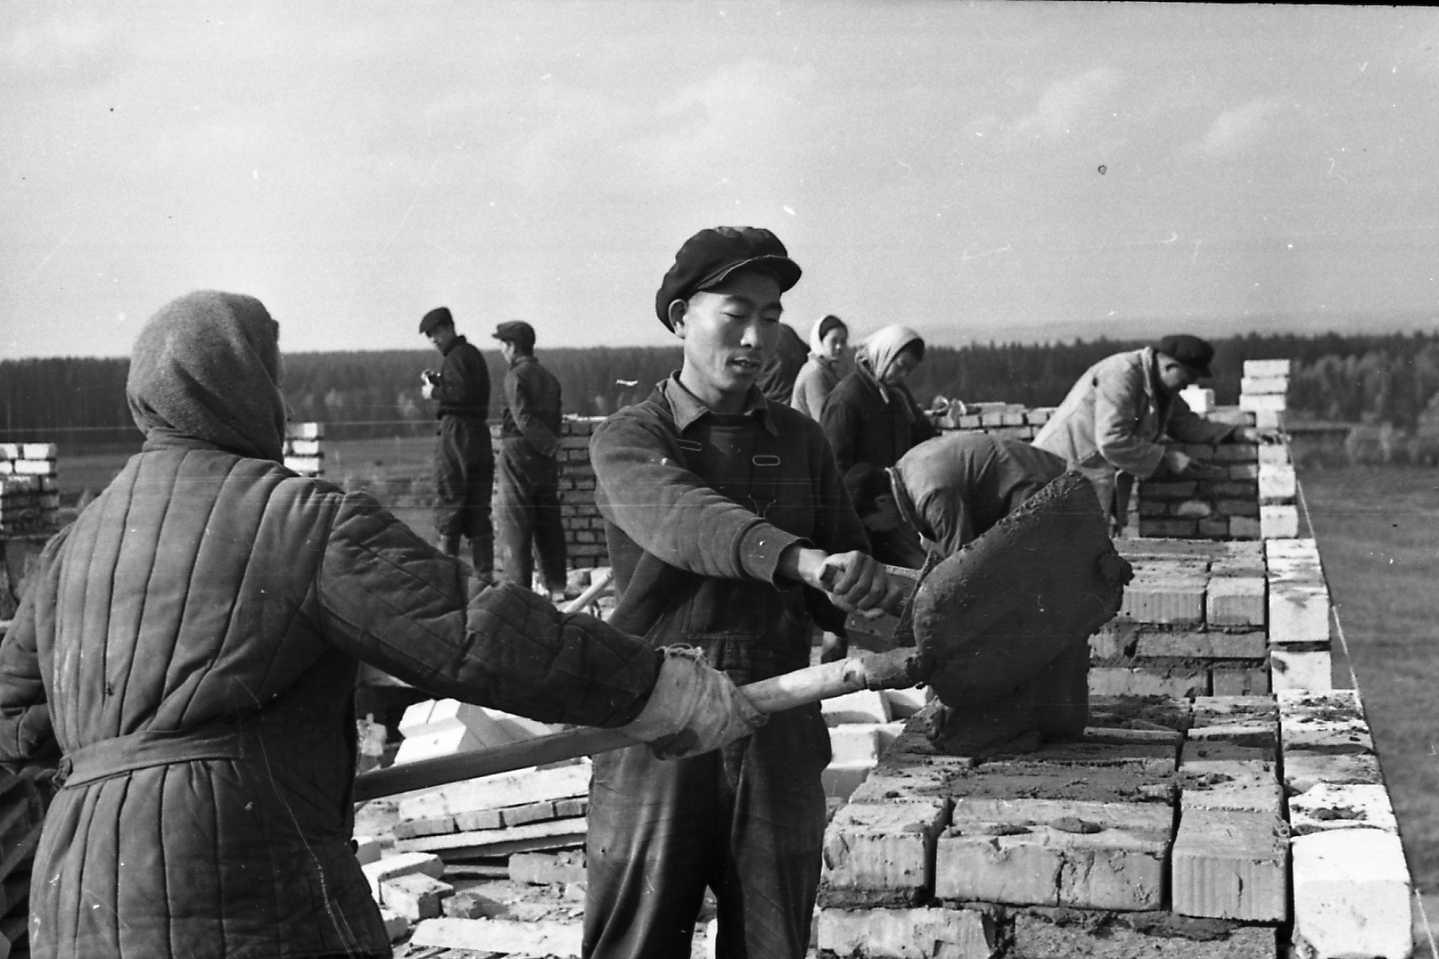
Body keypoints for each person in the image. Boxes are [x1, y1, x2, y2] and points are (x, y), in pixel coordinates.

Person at [0, 291, 764, 959]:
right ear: (247, 386)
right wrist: (653, 685)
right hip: (242, 885)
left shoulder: (69, 549)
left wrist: (101, 795)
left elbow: (11, 726)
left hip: (76, 897)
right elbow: (476, 632)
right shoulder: (296, 518)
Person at [583, 227, 902, 959]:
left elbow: (841, 586)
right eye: (736, 314)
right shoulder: (631, 438)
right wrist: (799, 559)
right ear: (679, 316)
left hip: (776, 713)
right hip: (655, 719)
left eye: (771, 315)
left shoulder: (799, 440)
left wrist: (865, 587)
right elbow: (685, 518)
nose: (757, 337)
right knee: (636, 941)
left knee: (770, 939)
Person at [1033, 333, 1271, 534]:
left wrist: (1237, 434)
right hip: (1055, 471)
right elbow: (1112, 440)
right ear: (1170, 366)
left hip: (1087, 475)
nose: (1187, 385)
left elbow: (1186, 425)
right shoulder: (1122, 374)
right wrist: (1166, 457)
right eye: (1188, 377)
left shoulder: (1160, 386)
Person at [843, 432, 1068, 567]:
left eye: (869, 523)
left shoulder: (930, 495)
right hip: (1025, 477)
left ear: (882, 501)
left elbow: (963, 562)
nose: (874, 530)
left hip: (1034, 485)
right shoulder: (907, 467)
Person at [419, 305, 495, 582]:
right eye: (430, 335)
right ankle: (484, 580)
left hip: (457, 436)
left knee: (450, 503)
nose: (433, 339)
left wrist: (434, 392)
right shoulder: (469, 354)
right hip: (478, 436)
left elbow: (461, 394)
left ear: (450, 328)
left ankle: (446, 581)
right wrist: (442, 382)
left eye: (436, 333)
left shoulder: (456, 357)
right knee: (477, 509)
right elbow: (468, 390)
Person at [492, 319, 567, 598]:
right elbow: (555, 420)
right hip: (544, 459)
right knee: (548, 523)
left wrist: (548, 445)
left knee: (516, 525)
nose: (501, 350)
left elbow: (522, 418)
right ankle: (557, 588)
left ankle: (519, 594)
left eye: (503, 344)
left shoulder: (515, 376)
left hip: (518, 453)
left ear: (513, 346)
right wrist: (552, 448)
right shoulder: (549, 377)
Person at [820, 323, 938, 472]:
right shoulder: (846, 399)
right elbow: (835, 466)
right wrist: (881, 478)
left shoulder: (897, 394)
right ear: (885, 354)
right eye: (900, 366)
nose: (903, 375)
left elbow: (921, 435)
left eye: (909, 370)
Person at [789, 313, 849, 420]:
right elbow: (823, 419)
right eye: (834, 341)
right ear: (820, 341)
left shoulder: (827, 368)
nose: (839, 347)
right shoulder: (815, 373)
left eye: (842, 341)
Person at [754, 319, 809, 404]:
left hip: (772, 403)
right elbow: (808, 355)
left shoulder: (749, 340)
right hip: (796, 400)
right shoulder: (785, 330)